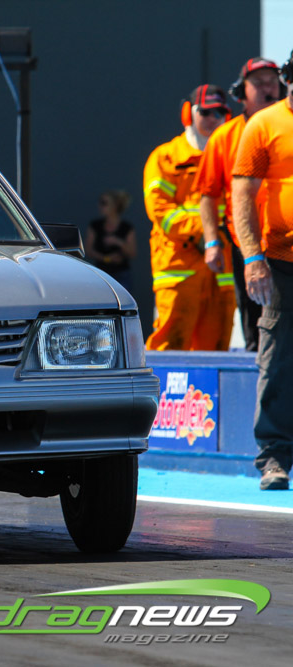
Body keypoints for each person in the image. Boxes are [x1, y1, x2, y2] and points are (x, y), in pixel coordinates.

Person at [231, 49, 293, 490]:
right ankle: (274, 457)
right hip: (281, 263)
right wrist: (252, 258)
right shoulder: (264, 125)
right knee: (277, 360)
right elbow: (243, 195)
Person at [194, 58, 283, 352]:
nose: (267, 88)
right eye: (258, 83)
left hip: (286, 240)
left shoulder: (287, 127)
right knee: (255, 321)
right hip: (247, 245)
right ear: (241, 92)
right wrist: (211, 242)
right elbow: (208, 194)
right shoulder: (224, 137)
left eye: (272, 82)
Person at [143, 84, 231, 351]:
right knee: (170, 343)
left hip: (220, 271)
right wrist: (206, 232)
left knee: (216, 348)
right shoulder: (165, 158)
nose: (213, 119)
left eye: (219, 113)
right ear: (187, 113)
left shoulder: (230, 158)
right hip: (178, 268)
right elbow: (161, 212)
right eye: (205, 112)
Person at [84, 190, 136, 293]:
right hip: (101, 274)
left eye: (104, 203)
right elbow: (88, 250)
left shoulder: (127, 227)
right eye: (100, 202)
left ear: (114, 206)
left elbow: (132, 253)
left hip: (122, 275)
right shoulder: (95, 226)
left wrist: (118, 242)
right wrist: (106, 258)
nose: (100, 206)